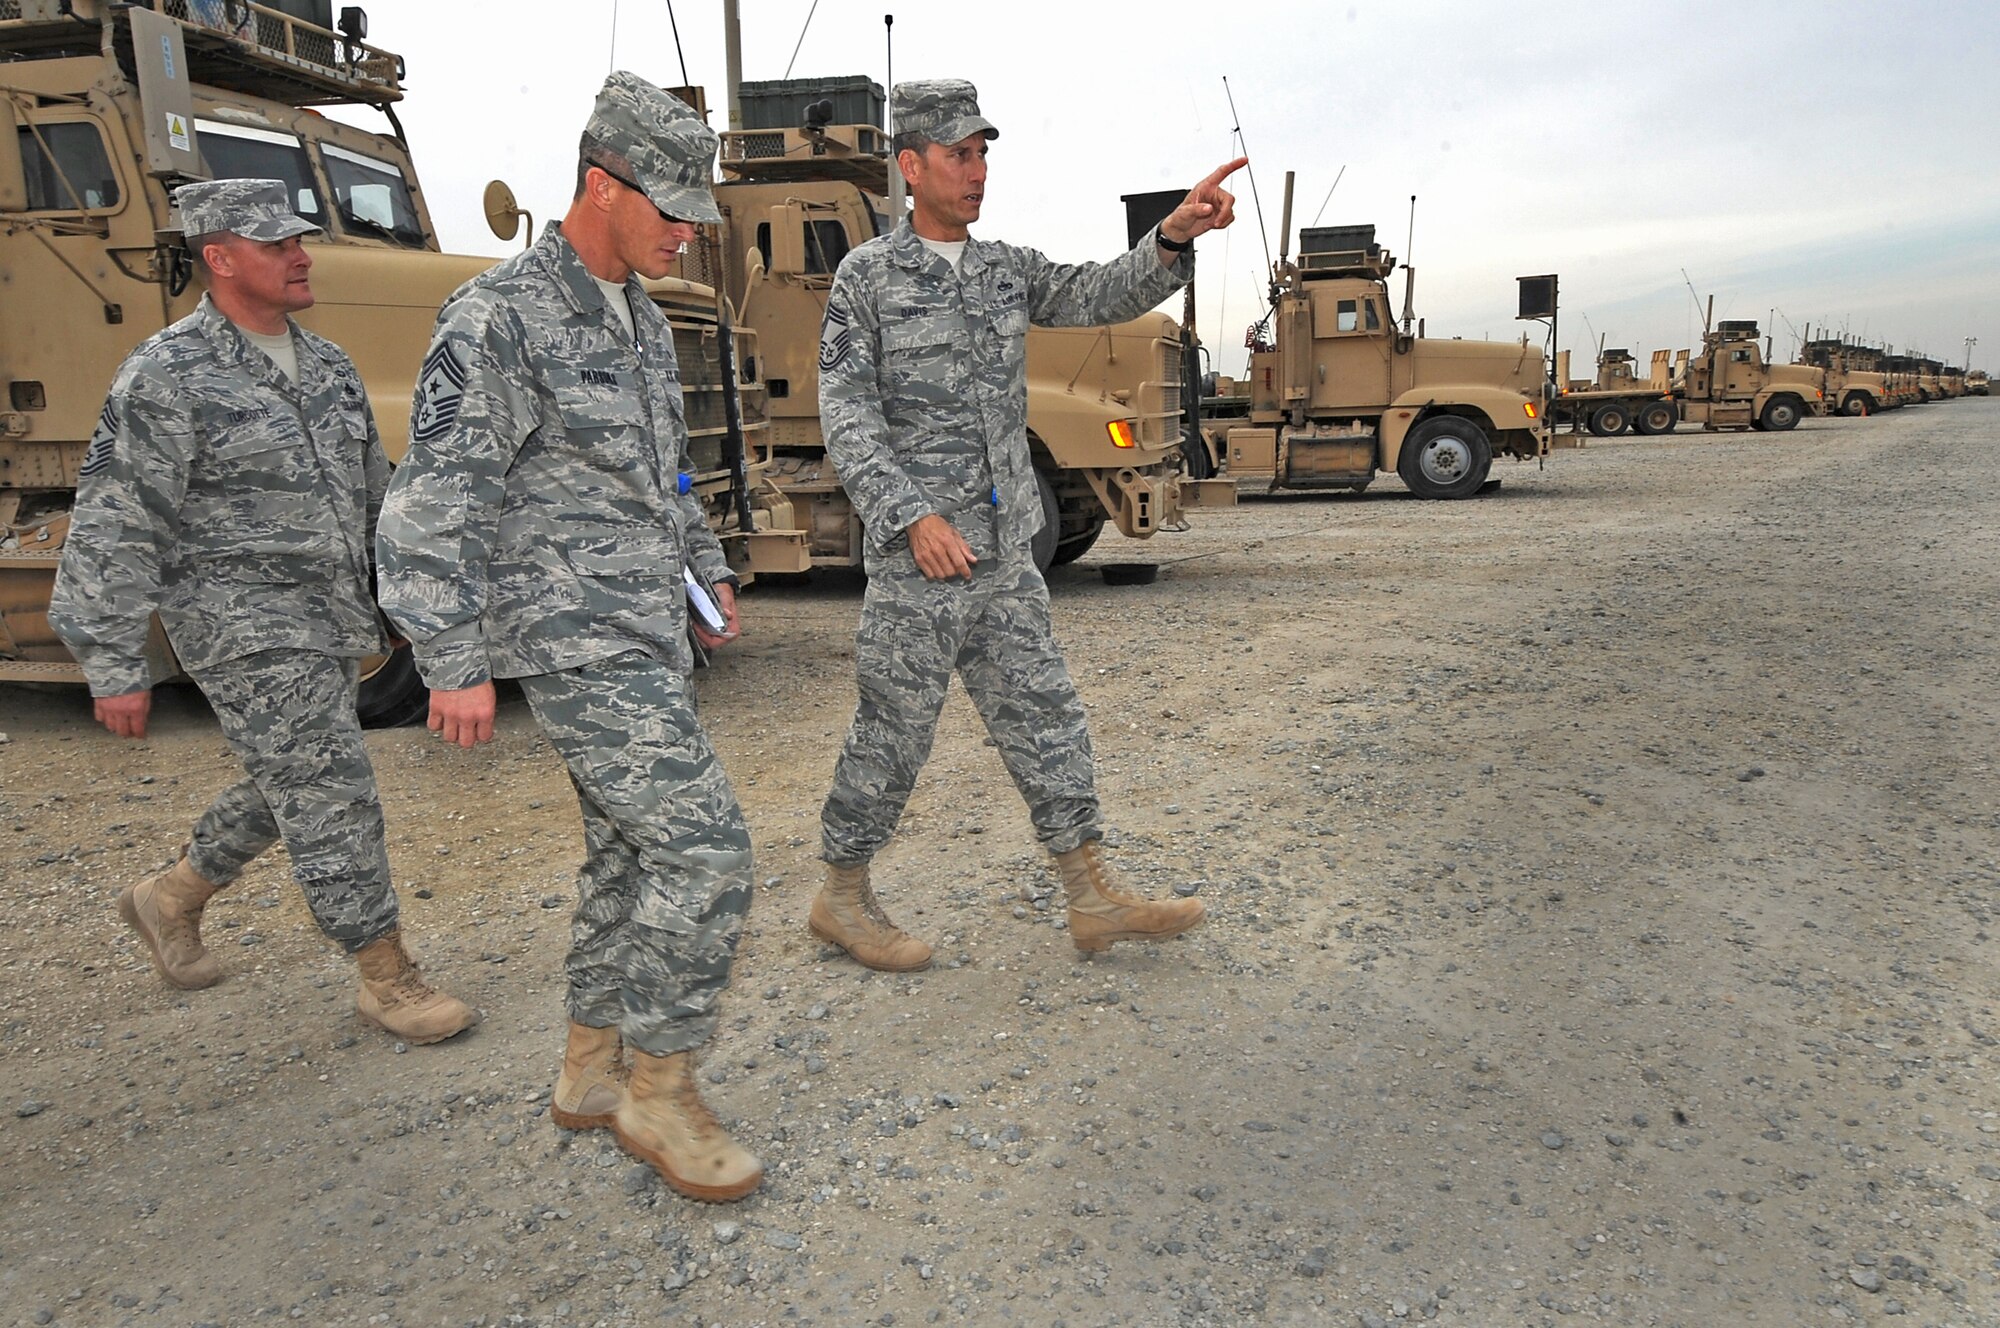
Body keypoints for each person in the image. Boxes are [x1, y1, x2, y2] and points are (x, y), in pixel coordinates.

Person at [374, 73, 759, 1203]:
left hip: (644, 623)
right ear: (602, 185)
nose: (686, 232)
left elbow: (661, 471)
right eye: (671, 209)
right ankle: (660, 1091)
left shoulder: (640, 316)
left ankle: (591, 1071)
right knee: (706, 849)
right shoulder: (497, 316)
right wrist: (450, 656)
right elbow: (435, 494)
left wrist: (705, 568)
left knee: (628, 852)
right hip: (569, 633)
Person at [810, 80, 1245, 970]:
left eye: (982, 155)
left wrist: (1173, 235)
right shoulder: (869, 278)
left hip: (1005, 554)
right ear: (911, 166)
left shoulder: (1005, 270)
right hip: (923, 560)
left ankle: (1090, 895)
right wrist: (910, 516)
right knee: (893, 731)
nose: (977, 172)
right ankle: (842, 897)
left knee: (1048, 717)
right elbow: (846, 413)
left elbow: (1098, 292)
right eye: (958, 155)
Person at [47, 178, 477, 1045]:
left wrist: (405, 601)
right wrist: (112, 658)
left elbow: (376, 497)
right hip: (237, 621)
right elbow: (118, 518)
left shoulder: (329, 366)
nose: (300, 255)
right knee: (327, 781)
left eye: (297, 240)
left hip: (329, 616)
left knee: (296, 769)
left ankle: (171, 897)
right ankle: (385, 974)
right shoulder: (166, 373)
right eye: (276, 244)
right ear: (220, 257)